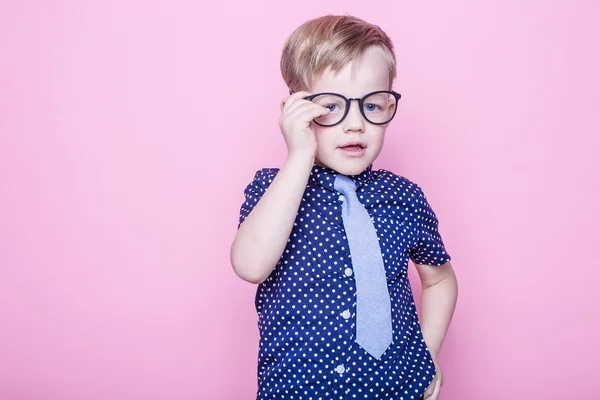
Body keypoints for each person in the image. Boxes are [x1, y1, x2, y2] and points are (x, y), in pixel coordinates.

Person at [230, 14, 458, 400]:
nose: (355, 124)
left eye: (372, 105)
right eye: (331, 107)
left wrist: (429, 353)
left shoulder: (405, 198)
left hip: (398, 389)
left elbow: (439, 279)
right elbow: (250, 265)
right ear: (296, 110)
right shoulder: (274, 186)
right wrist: (299, 153)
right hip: (299, 390)